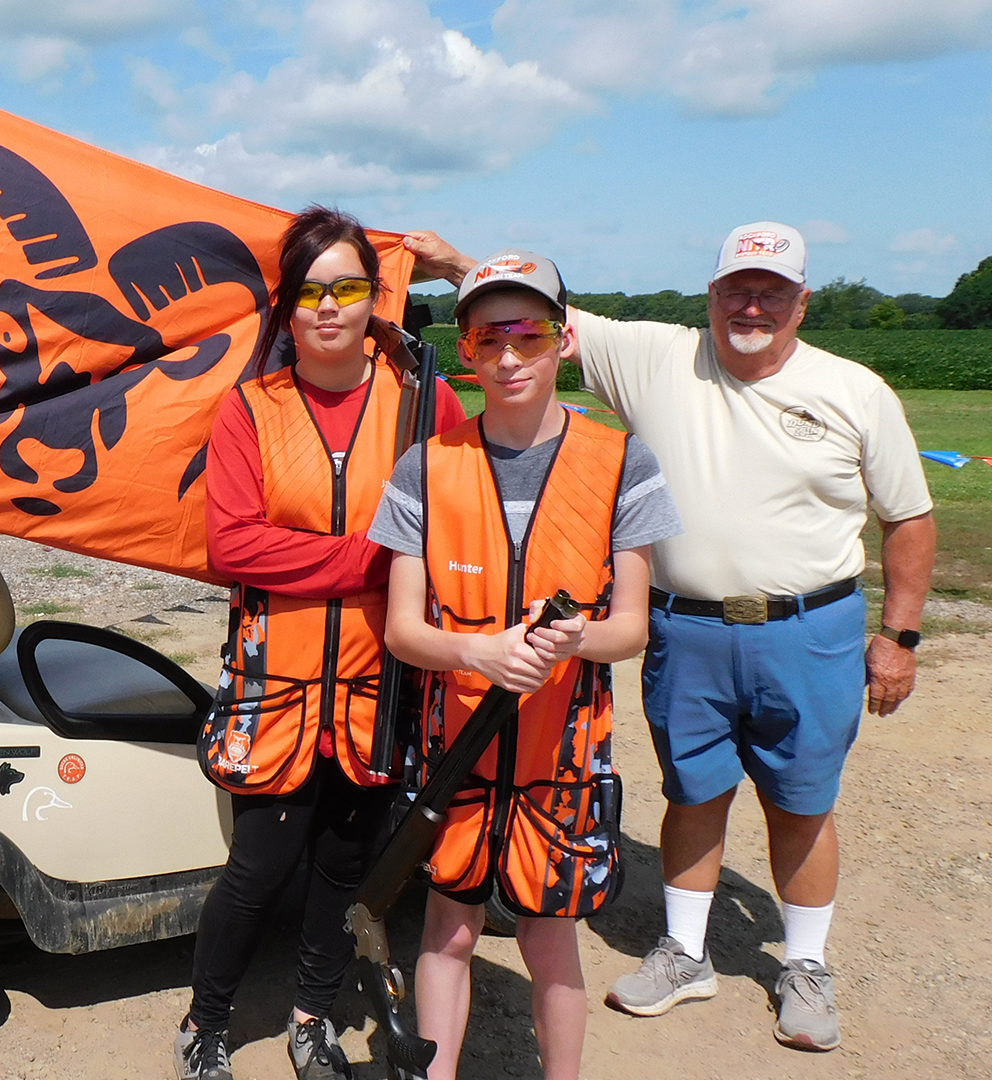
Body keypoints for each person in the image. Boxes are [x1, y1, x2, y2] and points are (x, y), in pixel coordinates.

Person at [407, 222, 936, 1051]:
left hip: (809, 623)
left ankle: (805, 964)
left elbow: (908, 516)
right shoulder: (659, 355)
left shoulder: (855, 389)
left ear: (803, 300)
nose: (750, 305)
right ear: (711, 293)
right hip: (685, 624)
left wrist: (899, 635)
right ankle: (685, 952)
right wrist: (443, 261)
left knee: (801, 803)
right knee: (692, 793)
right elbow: (528, 318)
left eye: (770, 291)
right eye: (735, 288)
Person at [370, 251, 680, 1080]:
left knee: (551, 939)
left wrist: (570, 641)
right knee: (450, 932)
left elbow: (631, 629)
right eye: (487, 338)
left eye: (530, 334)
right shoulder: (424, 467)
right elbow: (403, 630)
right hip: (456, 755)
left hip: (562, 758)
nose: (510, 357)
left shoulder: (623, 462)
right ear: (465, 351)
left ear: (563, 339)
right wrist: (477, 649)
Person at [179, 206, 466, 1080]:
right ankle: (207, 1026)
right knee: (257, 869)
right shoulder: (249, 410)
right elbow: (234, 544)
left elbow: (464, 509)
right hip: (280, 689)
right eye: (311, 291)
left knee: (346, 871)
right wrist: (375, 561)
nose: (330, 307)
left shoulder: (426, 403)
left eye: (348, 287)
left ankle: (312, 1019)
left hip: (383, 689)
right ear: (288, 307)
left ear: (373, 297)